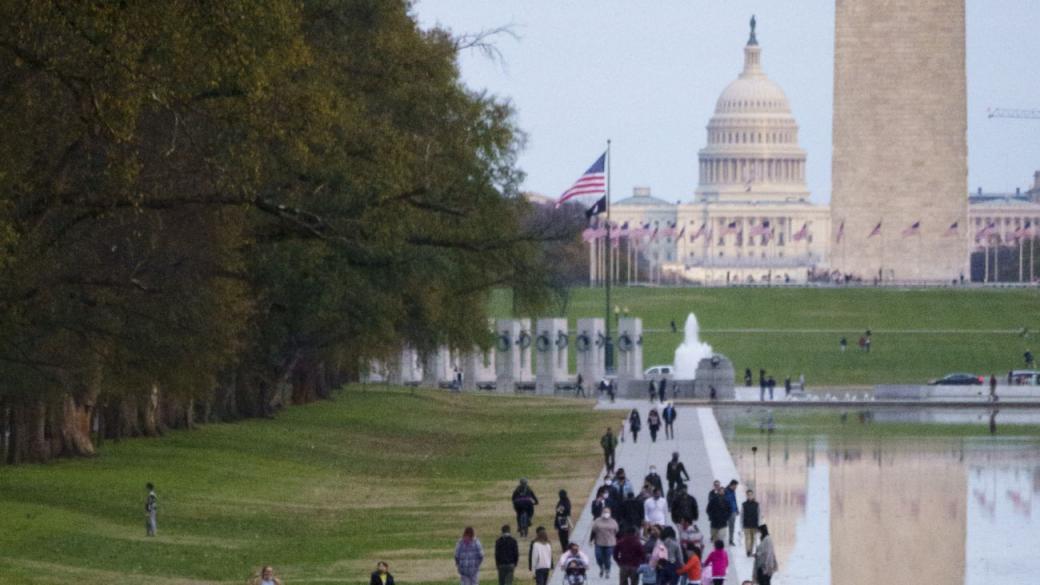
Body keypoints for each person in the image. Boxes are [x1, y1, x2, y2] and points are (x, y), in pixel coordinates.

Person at [590, 507, 620, 578]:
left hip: (610, 543)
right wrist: (590, 540)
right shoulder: (597, 521)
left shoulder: (613, 522)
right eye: (605, 512)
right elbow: (593, 531)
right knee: (598, 557)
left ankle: (607, 570)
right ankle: (601, 567)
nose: (606, 513)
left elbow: (617, 532)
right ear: (602, 512)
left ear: (610, 513)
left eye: (607, 512)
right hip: (599, 542)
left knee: (607, 558)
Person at [741, 490, 760, 557]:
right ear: (746, 495)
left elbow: (759, 515)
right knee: (747, 539)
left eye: (751, 494)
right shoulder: (744, 504)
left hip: (754, 525)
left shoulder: (757, 504)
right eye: (748, 495)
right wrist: (742, 525)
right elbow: (742, 515)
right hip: (746, 524)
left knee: (753, 539)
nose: (750, 496)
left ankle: (750, 551)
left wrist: (759, 525)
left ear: (753, 495)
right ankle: (748, 551)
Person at [724, 480, 739, 546]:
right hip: (727, 511)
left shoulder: (733, 491)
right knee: (724, 526)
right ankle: (722, 540)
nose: (736, 487)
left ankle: (731, 540)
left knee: (732, 526)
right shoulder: (725, 491)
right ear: (731, 485)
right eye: (735, 486)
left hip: (733, 512)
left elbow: (734, 500)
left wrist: (736, 509)